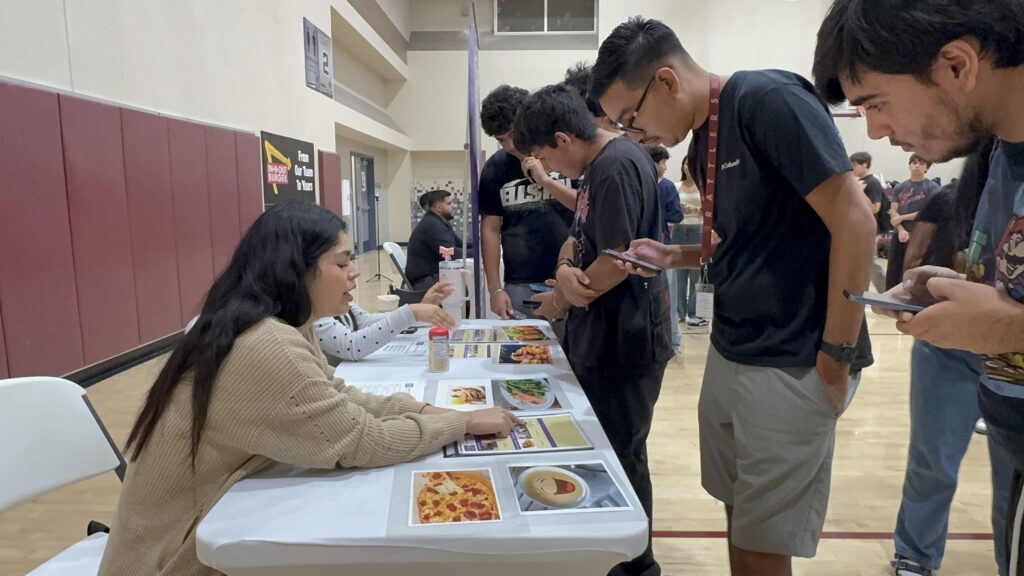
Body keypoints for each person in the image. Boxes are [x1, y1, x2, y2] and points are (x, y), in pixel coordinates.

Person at [591, 17, 876, 576]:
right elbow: (751, 242)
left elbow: (856, 221)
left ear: (667, 81)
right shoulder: (704, 141)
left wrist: (836, 354)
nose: (635, 134)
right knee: (739, 512)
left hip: (792, 355)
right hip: (733, 347)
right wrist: (676, 256)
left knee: (762, 541)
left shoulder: (766, 98)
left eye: (632, 118)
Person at [98, 202, 517, 575]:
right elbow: (362, 441)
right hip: (176, 561)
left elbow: (338, 396)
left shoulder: (284, 326)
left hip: (213, 529)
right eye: (342, 262)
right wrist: (461, 424)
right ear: (295, 269)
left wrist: (424, 411)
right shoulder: (266, 343)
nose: (355, 272)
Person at [813, 1, 1024, 573]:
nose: (876, 130)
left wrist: (1008, 324)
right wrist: (967, 289)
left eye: (875, 104)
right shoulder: (1002, 150)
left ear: (956, 65)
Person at [514, 83, 672, 576]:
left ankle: (636, 565)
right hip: (602, 336)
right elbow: (579, 238)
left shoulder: (616, 165)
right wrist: (563, 267)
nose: (548, 167)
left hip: (624, 341)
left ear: (562, 138)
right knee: (608, 452)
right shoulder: (600, 168)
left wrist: (562, 298)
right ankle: (611, 556)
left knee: (623, 458)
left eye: (543, 155)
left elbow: (616, 260)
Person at [890, 142, 1014, 576]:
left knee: (1010, 476)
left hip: (1007, 353)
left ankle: (1009, 559)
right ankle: (914, 553)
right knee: (933, 460)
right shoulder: (949, 198)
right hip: (948, 348)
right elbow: (915, 259)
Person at [479, 84, 576, 320]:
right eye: (502, 140)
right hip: (519, 282)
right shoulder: (496, 167)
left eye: (513, 134)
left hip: (570, 275)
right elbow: (490, 229)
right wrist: (495, 289)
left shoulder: (563, 153)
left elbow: (587, 207)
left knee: (571, 353)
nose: (510, 146)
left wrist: (545, 179)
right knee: (525, 354)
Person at [314, 281, 456, 363]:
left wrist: (417, 312)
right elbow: (351, 346)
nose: (354, 271)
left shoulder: (335, 299)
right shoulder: (313, 310)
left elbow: (364, 321)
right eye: (341, 264)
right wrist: (411, 313)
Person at [647, 144, 684, 351]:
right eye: (663, 162)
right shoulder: (667, 187)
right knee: (667, 295)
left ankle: (672, 340)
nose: (665, 167)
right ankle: (672, 341)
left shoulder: (647, 184)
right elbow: (676, 214)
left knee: (664, 295)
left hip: (653, 248)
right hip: (661, 247)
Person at [885, 154, 941, 289]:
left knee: (914, 268)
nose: (916, 166)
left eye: (921, 163)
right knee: (894, 268)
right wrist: (901, 229)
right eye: (914, 163)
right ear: (909, 165)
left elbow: (927, 213)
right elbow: (894, 211)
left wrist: (902, 218)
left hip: (920, 236)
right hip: (900, 233)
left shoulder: (932, 188)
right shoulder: (899, 187)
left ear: (927, 168)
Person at [405, 189, 464, 290]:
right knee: (471, 285)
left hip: (433, 275)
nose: (453, 206)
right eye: (449, 203)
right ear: (439, 207)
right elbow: (451, 254)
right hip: (423, 282)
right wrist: (481, 253)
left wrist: (481, 245)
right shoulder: (433, 225)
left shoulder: (440, 222)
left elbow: (460, 244)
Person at [674, 155, 707, 326]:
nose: (688, 166)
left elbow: (711, 210)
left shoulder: (703, 187)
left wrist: (698, 209)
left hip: (698, 230)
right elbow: (670, 209)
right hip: (679, 230)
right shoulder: (675, 186)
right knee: (679, 275)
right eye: (685, 163)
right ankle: (679, 313)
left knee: (697, 276)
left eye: (690, 163)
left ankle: (693, 314)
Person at [851, 151, 889, 291]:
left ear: (865, 165)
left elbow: (875, 208)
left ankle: (886, 292)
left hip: (870, 230)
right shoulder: (856, 182)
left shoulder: (872, 182)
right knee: (859, 263)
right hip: (858, 228)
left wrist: (859, 192)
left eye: (854, 165)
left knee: (870, 264)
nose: (852, 167)